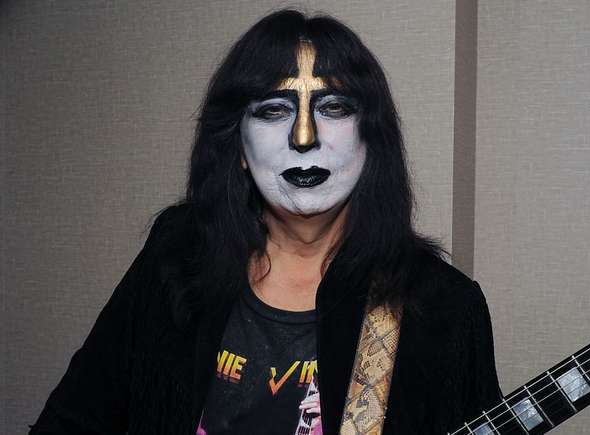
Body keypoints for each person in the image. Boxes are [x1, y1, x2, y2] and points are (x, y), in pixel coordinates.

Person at [29, 8, 501, 435]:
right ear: (238, 146)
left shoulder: (443, 308)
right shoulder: (176, 254)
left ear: (372, 139)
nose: (303, 136)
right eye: (274, 110)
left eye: (333, 108)